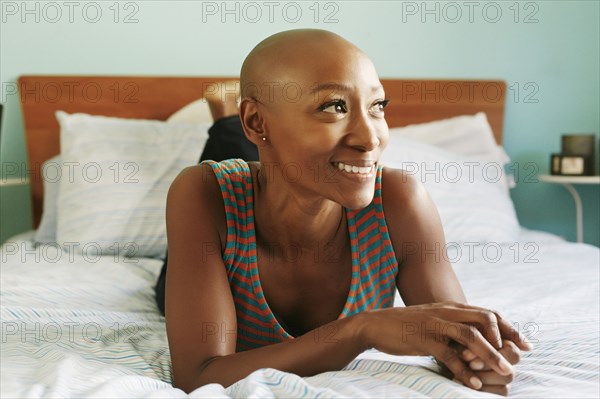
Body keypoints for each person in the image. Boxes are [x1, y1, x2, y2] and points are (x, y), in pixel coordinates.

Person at [161, 29, 532, 395]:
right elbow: (198, 375)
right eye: (333, 106)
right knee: (229, 151)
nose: (371, 138)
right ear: (257, 121)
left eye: (377, 107)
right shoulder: (203, 194)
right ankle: (226, 120)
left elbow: (457, 344)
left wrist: (481, 359)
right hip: (226, 229)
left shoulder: (401, 203)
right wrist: (361, 328)